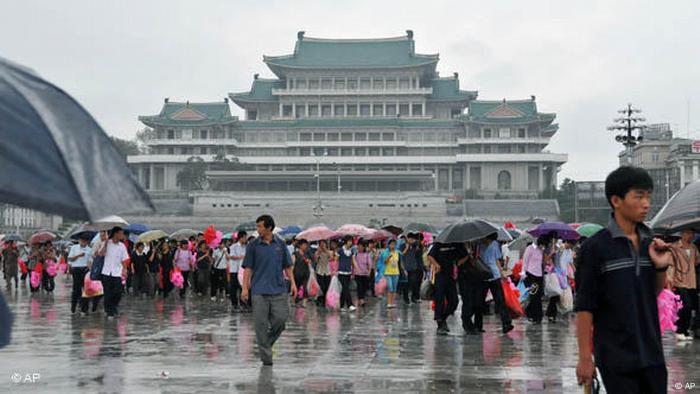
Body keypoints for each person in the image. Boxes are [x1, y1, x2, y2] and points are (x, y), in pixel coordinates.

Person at [575, 166, 672, 393]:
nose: (646, 203)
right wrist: (584, 358)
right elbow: (584, 307)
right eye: (639, 196)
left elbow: (653, 293)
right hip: (616, 356)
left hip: (652, 353)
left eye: (648, 196)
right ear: (616, 200)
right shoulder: (596, 248)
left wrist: (661, 267)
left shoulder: (651, 242)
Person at [241, 215, 296, 367]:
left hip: (279, 289)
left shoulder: (280, 244)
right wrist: (245, 288)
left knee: (281, 321)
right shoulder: (253, 246)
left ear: (269, 228)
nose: (257, 229)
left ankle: (265, 345)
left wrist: (293, 283)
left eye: (260, 226)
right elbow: (248, 268)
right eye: (257, 226)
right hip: (258, 291)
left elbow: (287, 266)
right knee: (260, 324)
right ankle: (266, 357)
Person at [474, 233, 514, 334]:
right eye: (489, 240)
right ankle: (478, 326)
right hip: (482, 275)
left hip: (494, 276)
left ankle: (506, 323)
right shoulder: (477, 244)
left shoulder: (495, 244)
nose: (490, 242)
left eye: (492, 240)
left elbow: (497, 260)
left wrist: (501, 273)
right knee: (479, 302)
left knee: (500, 301)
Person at [428, 242, 467, 335]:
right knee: (439, 300)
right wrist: (436, 265)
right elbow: (430, 256)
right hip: (439, 276)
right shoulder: (439, 244)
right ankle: (440, 324)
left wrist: (458, 263)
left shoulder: (457, 244)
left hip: (451, 277)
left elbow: (465, 255)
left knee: (454, 301)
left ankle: (443, 318)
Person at [670, 230, 700, 341]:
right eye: (688, 233)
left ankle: (685, 331)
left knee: (691, 307)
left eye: (692, 233)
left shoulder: (693, 248)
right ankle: (679, 330)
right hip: (679, 280)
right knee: (685, 305)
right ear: (682, 234)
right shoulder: (675, 247)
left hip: (691, 281)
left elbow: (696, 261)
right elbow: (670, 261)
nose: (690, 236)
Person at [101, 227, 129, 319]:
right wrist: (104, 244)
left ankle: (113, 306)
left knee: (118, 292)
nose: (122, 235)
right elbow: (100, 254)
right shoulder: (107, 243)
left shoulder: (122, 246)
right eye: (121, 233)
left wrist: (124, 269)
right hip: (106, 272)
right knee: (108, 293)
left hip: (117, 272)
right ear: (115, 234)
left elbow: (124, 259)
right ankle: (109, 311)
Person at [523, 237, 547, 323]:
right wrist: (523, 273)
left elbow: (543, 263)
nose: (543, 246)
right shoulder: (530, 248)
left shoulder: (542, 250)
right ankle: (532, 314)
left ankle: (538, 316)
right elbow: (525, 262)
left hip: (539, 275)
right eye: (542, 245)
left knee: (538, 296)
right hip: (530, 274)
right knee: (533, 296)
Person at [67, 234, 92, 314]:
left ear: (87, 242)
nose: (82, 243)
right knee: (76, 289)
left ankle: (84, 309)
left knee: (86, 289)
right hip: (76, 269)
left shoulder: (89, 250)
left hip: (85, 270)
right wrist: (78, 255)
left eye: (84, 241)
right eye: (81, 240)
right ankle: (73, 307)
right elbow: (70, 259)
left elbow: (90, 261)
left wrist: (90, 269)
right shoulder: (74, 248)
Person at [377, 239, 403, 309]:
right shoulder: (386, 252)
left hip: (396, 272)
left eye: (394, 244)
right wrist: (388, 257)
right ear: (388, 245)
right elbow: (384, 262)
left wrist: (403, 270)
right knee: (390, 288)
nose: (393, 246)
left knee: (394, 289)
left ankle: (392, 302)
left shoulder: (397, 253)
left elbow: (399, 262)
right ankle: (389, 303)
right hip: (388, 272)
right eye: (391, 244)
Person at [337, 236, 358, 311]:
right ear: (345, 241)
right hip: (341, 272)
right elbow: (336, 260)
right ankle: (350, 304)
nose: (350, 243)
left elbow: (353, 261)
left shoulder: (351, 251)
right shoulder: (340, 250)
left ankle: (341, 305)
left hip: (348, 272)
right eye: (349, 241)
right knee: (346, 288)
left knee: (344, 290)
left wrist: (356, 268)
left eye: (351, 241)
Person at [401, 233, 424, 304]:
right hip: (405, 267)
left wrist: (418, 245)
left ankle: (414, 298)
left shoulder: (416, 246)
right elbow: (400, 254)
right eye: (410, 239)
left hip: (413, 267)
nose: (411, 240)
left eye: (413, 239)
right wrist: (407, 248)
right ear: (407, 239)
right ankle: (405, 298)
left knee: (414, 282)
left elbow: (420, 246)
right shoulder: (403, 246)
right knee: (406, 284)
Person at [229, 231, 248, 312]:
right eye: (245, 237)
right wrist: (241, 257)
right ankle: (234, 304)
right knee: (233, 288)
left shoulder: (246, 247)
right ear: (241, 237)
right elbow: (232, 256)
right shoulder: (233, 246)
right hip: (234, 270)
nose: (246, 239)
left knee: (242, 287)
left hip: (242, 271)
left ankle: (243, 304)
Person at [292, 239, 312, 307]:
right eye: (304, 245)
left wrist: (308, 261)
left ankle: (304, 303)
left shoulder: (307, 253)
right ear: (300, 245)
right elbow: (293, 264)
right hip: (297, 273)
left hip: (306, 273)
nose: (305, 246)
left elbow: (311, 260)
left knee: (305, 287)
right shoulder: (295, 253)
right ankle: (295, 301)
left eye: (306, 245)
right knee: (297, 287)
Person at [314, 240, 333, 306]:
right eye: (321, 244)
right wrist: (318, 253)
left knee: (327, 286)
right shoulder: (317, 252)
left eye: (323, 244)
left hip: (327, 271)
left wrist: (325, 250)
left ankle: (325, 300)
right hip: (319, 271)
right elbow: (316, 261)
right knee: (321, 287)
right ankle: (319, 299)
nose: (322, 245)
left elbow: (331, 258)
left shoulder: (329, 251)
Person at [354, 241, 372, 306]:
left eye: (361, 246)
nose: (359, 247)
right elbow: (353, 263)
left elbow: (369, 264)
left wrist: (369, 271)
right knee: (359, 287)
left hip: (365, 273)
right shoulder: (355, 254)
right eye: (358, 246)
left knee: (365, 287)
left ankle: (360, 298)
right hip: (357, 273)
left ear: (364, 247)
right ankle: (361, 300)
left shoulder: (367, 254)